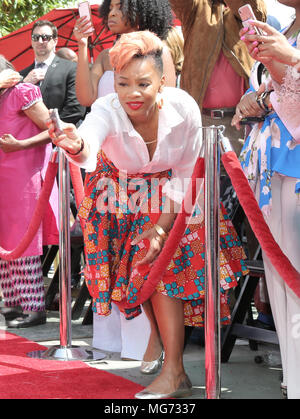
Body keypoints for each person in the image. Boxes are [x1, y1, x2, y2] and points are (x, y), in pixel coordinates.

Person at [47, 30, 248, 399]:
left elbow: (188, 175)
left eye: (143, 83)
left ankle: (174, 370)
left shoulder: (183, 107)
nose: (131, 94)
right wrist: (74, 143)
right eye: (123, 83)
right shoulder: (107, 108)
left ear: (163, 81)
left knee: (166, 260)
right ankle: (158, 335)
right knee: (139, 267)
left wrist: (159, 229)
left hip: (174, 190)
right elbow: (89, 140)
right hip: (119, 192)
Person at [73, 0, 177, 362]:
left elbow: (169, 105)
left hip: (145, 164)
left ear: (141, 8)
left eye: (119, 6)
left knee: (139, 250)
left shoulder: (159, 50)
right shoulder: (105, 53)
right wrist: (83, 46)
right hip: (105, 160)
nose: (110, 13)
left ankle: (146, 344)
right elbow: (85, 97)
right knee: (107, 247)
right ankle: (111, 341)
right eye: (109, 7)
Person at [232, 11, 300, 399]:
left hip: (295, 170)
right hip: (272, 166)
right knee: (281, 279)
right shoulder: (286, 27)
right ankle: (293, 380)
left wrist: (285, 63)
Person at [0, 55, 59, 328]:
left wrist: (21, 145)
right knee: (6, 241)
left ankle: (34, 308)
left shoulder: (21, 92)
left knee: (23, 241)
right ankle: (12, 304)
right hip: (5, 179)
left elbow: (53, 129)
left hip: (25, 177)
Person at [168, 0, 267, 157]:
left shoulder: (247, 11)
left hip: (242, 121)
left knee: (240, 180)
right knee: (201, 179)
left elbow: (257, 13)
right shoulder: (196, 8)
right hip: (202, 121)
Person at [74, 0, 176, 107]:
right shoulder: (104, 56)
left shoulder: (158, 52)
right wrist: (82, 44)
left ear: (140, 12)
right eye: (110, 8)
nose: (112, 13)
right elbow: (86, 100)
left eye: (120, 8)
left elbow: (166, 104)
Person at [20, 20, 86, 125]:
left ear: (55, 41)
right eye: (36, 38)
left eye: (45, 37)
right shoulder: (21, 76)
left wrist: (51, 130)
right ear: (32, 41)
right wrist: (24, 84)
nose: (40, 41)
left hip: (61, 136)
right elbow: (12, 109)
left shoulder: (72, 68)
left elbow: (75, 109)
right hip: (26, 137)